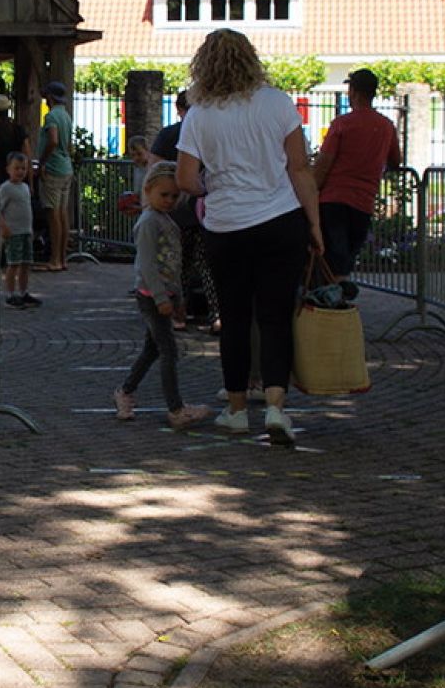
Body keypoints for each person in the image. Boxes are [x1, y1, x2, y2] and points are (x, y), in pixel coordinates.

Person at [175, 29, 322, 447]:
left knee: (235, 320)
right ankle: (276, 405)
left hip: (226, 226)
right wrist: (314, 224)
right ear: (250, 59)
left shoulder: (200, 114)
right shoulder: (277, 103)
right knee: (276, 317)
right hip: (280, 219)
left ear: (204, 64)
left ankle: (236, 410)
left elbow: (186, 179)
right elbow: (299, 169)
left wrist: (213, 189)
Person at [113, 162, 212, 427]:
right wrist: (160, 297)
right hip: (151, 296)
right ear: (148, 190)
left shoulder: (166, 221)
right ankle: (175, 408)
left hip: (164, 295)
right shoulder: (148, 223)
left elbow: (173, 263)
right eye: (164, 195)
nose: (169, 201)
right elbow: (147, 264)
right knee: (168, 350)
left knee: (152, 349)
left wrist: (177, 297)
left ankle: (125, 391)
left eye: (174, 196)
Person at [313, 69, 402, 279]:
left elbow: (323, 164)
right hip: (363, 201)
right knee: (348, 256)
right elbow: (396, 161)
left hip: (332, 200)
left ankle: (330, 302)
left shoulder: (342, 124)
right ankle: (341, 297)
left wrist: (310, 192)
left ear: (353, 92)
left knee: (330, 257)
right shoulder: (386, 126)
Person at [154, 90, 220, 334]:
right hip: (206, 207)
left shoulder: (168, 134)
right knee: (207, 265)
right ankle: (216, 314)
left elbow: (155, 171)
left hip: (176, 209)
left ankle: (177, 315)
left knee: (177, 265)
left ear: (178, 108)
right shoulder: (210, 132)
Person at [36, 81, 74, 271]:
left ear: (50, 97)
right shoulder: (66, 115)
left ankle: (54, 259)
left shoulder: (51, 116)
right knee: (63, 213)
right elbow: (68, 144)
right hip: (66, 167)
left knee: (53, 215)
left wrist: (42, 162)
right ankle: (63, 258)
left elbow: (52, 140)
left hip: (53, 168)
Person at [0, 152, 40, 308]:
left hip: (26, 231)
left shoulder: (25, 188)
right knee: (13, 264)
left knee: (25, 264)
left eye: (23, 168)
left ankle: (23, 292)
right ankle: (10, 294)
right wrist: (3, 227)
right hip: (13, 232)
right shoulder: (5, 188)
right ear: (8, 169)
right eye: (17, 168)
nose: (20, 172)